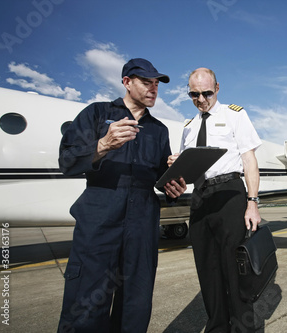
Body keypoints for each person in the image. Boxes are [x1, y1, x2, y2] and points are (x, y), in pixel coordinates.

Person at [57, 58, 187, 332]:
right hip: (99, 220)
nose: (153, 89)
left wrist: (171, 186)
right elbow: (67, 161)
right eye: (146, 82)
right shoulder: (96, 114)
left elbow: (158, 179)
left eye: (156, 84)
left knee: (136, 304)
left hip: (142, 225)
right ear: (127, 82)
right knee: (86, 301)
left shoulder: (158, 130)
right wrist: (103, 144)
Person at [168, 68, 262, 332]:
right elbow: (188, 171)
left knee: (235, 269)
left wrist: (252, 202)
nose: (201, 99)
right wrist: (176, 165)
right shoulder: (189, 127)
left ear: (217, 88)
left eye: (207, 93)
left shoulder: (235, 115)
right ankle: (217, 326)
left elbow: (249, 159)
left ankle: (242, 327)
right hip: (200, 197)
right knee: (207, 270)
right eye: (194, 94)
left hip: (229, 193)